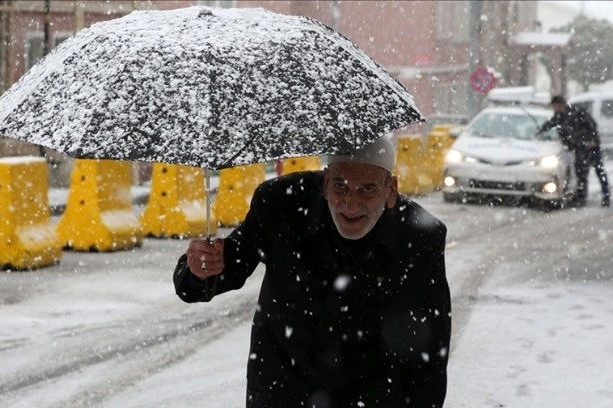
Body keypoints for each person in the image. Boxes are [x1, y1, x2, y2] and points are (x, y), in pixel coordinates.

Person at [173, 136, 452, 408]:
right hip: (282, 389)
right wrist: (199, 269)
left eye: (367, 189)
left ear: (391, 190)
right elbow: (219, 272)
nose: (351, 204)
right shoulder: (280, 205)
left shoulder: (419, 238)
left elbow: (428, 357)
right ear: (325, 181)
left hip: (370, 394)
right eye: (340, 186)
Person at [536, 95, 610, 207]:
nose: (555, 109)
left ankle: (606, 197)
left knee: (599, 171)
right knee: (581, 173)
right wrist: (541, 130)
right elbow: (551, 123)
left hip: (590, 146)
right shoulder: (560, 116)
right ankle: (581, 198)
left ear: (561, 104)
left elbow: (591, 125)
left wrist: (593, 140)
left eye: (556, 106)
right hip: (579, 147)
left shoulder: (577, 112)